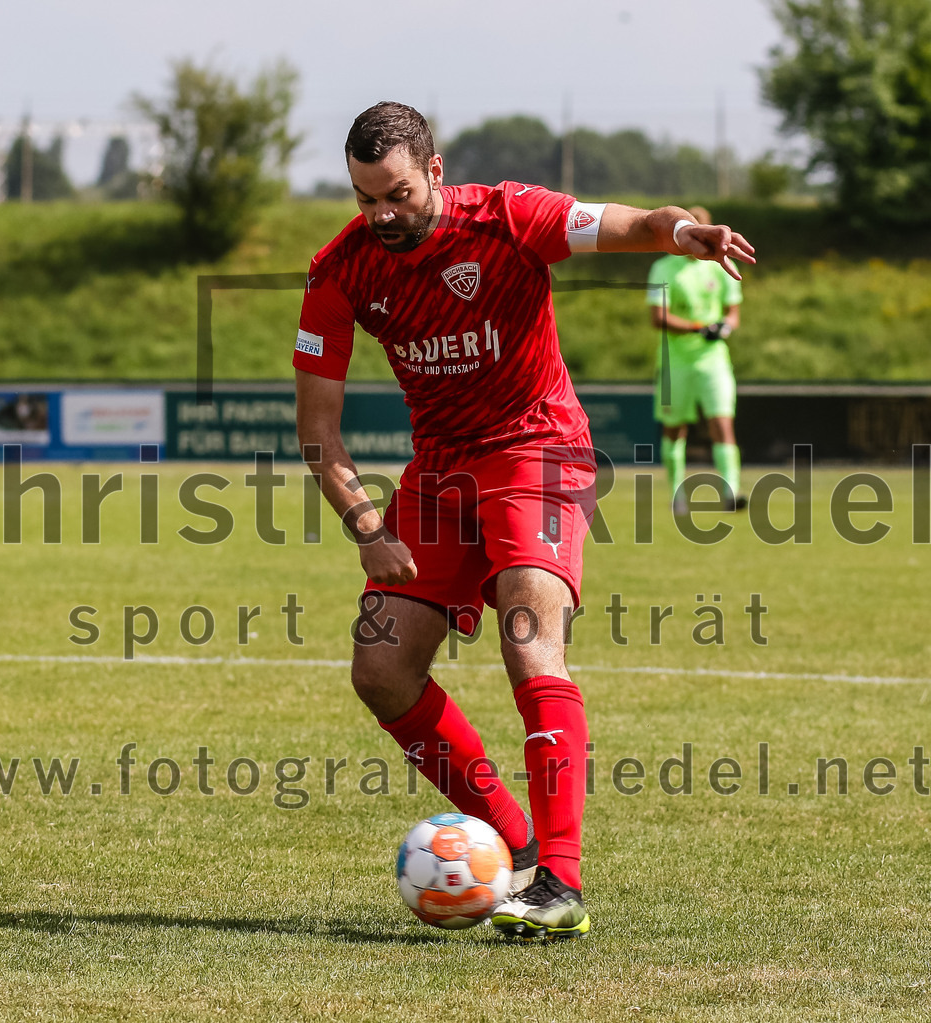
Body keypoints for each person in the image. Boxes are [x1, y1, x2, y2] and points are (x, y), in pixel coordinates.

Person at [294, 102, 754, 940]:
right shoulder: (341, 270)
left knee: (526, 637)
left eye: (395, 193)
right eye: (365, 199)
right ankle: (519, 842)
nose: (381, 215)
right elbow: (318, 436)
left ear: (435, 170)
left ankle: (562, 883)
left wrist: (681, 230)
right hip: (439, 470)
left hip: (537, 449)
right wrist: (368, 525)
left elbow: (634, 223)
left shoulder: (508, 216)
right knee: (380, 670)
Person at [647, 206, 746, 513]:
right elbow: (658, 316)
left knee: (722, 423)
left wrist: (724, 328)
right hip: (675, 361)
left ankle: (731, 492)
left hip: (713, 360)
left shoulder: (721, 267)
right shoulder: (663, 268)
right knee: (675, 429)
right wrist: (698, 327)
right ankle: (677, 494)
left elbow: (733, 312)